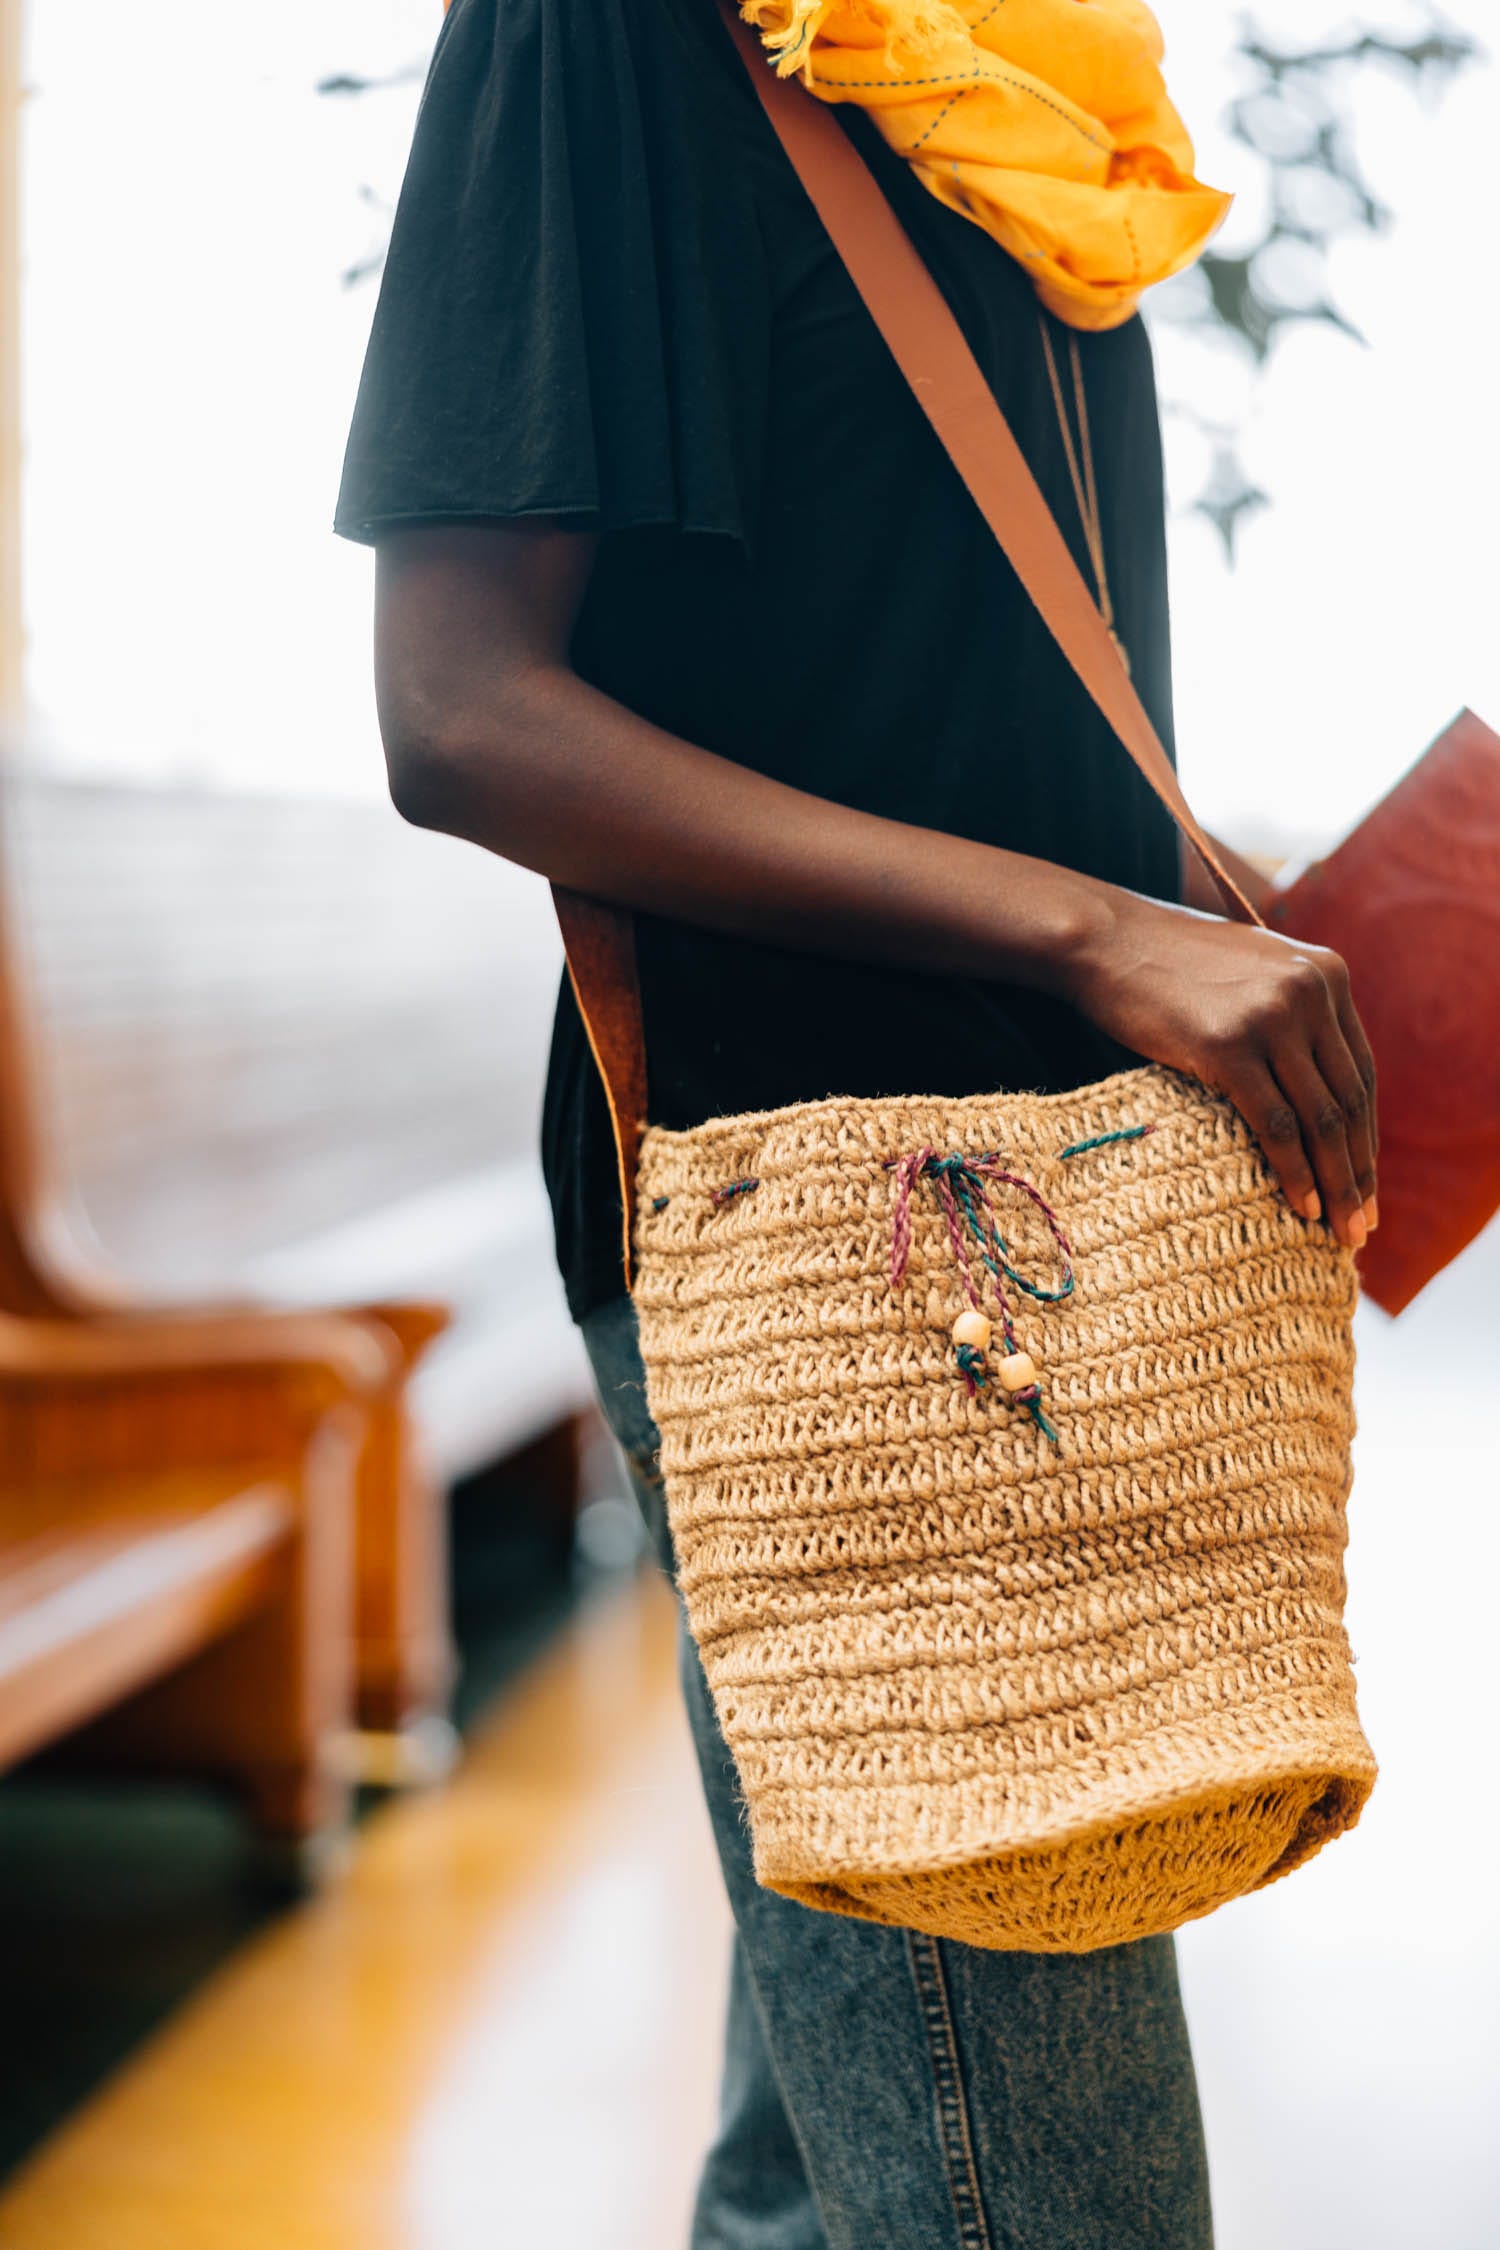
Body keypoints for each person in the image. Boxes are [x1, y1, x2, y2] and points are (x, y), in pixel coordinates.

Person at [336, 0, 1378, 2240]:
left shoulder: (1036, 73)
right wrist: (1097, 936)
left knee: (834, 2160)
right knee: (1041, 2200)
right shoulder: (608, 35)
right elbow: (460, 710)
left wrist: (1184, 930)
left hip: (1068, 1245)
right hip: (854, 1257)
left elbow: (956, 660)